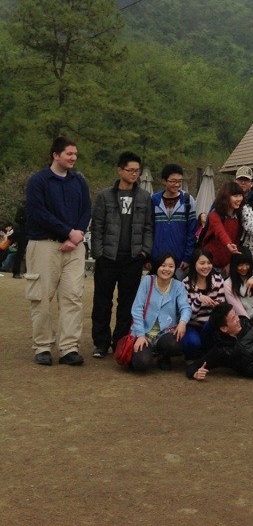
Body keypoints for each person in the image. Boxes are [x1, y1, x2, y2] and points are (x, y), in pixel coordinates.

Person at [24, 136, 91, 366]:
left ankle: (69, 348)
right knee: (41, 298)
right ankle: (43, 346)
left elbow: (86, 209)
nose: (73, 158)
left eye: (75, 154)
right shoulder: (38, 181)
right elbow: (38, 213)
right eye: (69, 154)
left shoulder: (79, 181)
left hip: (74, 248)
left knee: (73, 297)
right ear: (56, 155)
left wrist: (77, 234)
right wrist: (67, 232)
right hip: (44, 245)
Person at [90, 151, 154, 358]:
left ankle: (120, 341)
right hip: (107, 257)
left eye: (137, 171)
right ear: (120, 170)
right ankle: (100, 342)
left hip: (133, 257)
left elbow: (148, 227)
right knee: (102, 302)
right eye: (130, 170)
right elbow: (97, 226)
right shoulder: (105, 196)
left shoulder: (144, 197)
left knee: (128, 303)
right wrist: (98, 253)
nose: (134, 174)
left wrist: (144, 251)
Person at [130, 253, 191, 371]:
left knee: (174, 344)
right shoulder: (147, 281)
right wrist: (140, 335)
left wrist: (182, 322)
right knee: (142, 363)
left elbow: (185, 307)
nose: (167, 269)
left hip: (165, 333)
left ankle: (163, 356)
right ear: (157, 266)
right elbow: (137, 309)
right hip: (145, 332)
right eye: (163, 265)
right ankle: (143, 353)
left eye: (171, 266)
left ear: (175, 268)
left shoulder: (178, 286)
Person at [150, 164, 196, 275]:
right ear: (164, 181)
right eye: (173, 181)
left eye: (180, 181)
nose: (177, 184)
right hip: (157, 259)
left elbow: (191, 231)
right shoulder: (153, 201)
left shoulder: (188, 200)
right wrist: (148, 257)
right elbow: (148, 230)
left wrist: (187, 257)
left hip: (180, 260)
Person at [181, 248, 227, 358]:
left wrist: (216, 306)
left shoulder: (218, 280)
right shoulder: (185, 283)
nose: (206, 266)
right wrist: (198, 300)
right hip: (192, 324)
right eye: (202, 263)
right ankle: (193, 356)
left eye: (209, 263)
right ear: (194, 264)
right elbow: (188, 315)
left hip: (210, 325)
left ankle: (205, 355)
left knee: (210, 326)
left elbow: (221, 309)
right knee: (192, 343)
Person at [200, 181, 243, 273]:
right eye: (235, 196)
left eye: (240, 195)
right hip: (209, 263)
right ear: (226, 197)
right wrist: (229, 244)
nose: (239, 199)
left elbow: (237, 240)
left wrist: (230, 262)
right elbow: (220, 231)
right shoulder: (214, 214)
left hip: (226, 266)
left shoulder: (239, 217)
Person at [224, 250, 253, 320]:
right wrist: (248, 323)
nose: (244, 268)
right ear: (234, 265)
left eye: (247, 264)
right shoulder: (228, 283)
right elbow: (238, 309)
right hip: (241, 320)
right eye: (240, 265)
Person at [11, 202, 28, 279]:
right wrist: (26, 217)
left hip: (33, 234)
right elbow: (17, 219)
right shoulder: (22, 208)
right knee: (20, 253)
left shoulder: (36, 208)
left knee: (32, 253)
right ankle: (16, 272)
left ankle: (29, 272)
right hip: (23, 234)